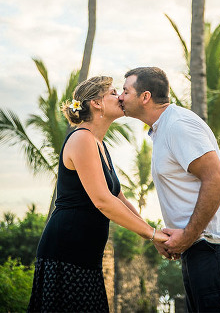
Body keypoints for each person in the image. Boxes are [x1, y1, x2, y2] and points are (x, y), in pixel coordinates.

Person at [28, 76, 169, 313]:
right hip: (66, 253)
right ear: (96, 103)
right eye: (114, 93)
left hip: (86, 257)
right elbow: (103, 201)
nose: (121, 97)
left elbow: (119, 199)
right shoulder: (82, 138)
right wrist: (153, 235)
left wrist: (151, 236)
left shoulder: (99, 144)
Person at [119, 67, 220, 313]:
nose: (120, 97)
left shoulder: (178, 125)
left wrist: (188, 235)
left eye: (126, 91)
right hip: (198, 247)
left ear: (145, 97)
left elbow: (217, 179)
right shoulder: (162, 128)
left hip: (212, 246)